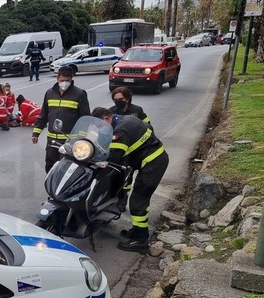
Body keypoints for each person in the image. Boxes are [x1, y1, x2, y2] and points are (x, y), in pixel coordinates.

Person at [91, 107, 169, 253]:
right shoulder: (122, 119)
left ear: (107, 118)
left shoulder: (121, 130)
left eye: (100, 126)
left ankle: (141, 240)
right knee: (137, 199)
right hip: (151, 157)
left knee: (138, 200)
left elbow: (114, 157)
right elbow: (148, 128)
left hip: (153, 163)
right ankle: (137, 231)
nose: (101, 130)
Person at [31, 65, 90, 172]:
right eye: (62, 80)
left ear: (72, 79)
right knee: (50, 167)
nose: (64, 83)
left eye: (67, 80)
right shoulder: (50, 93)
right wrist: (36, 133)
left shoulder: (80, 94)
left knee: (67, 169)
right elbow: (43, 114)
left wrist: (80, 140)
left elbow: (85, 118)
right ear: (57, 78)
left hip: (70, 140)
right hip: (52, 141)